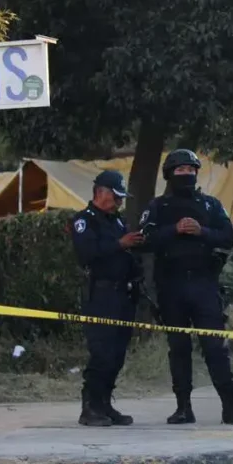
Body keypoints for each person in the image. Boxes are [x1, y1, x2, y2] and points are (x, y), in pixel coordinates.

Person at [138, 149, 233, 425]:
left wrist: (202, 232)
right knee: (179, 348)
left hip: (204, 284)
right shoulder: (157, 207)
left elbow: (228, 236)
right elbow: (144, 240)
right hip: (171, 286)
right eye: (180, 171)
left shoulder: (210, 205)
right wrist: (173, 230)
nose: (186, 175)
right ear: (169, 175)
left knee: (215, 348)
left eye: (190, 170)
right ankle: (183, 407)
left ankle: (230, 408)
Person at [71, 170, 145, 427]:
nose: (119, 203)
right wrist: (120, 244)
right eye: (116, 197)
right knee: (101, 352)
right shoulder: (85, 220)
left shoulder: (116, 221)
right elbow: (86, 253)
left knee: (117, 353)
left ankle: (104, 404)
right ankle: (89, 407)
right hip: (100, 295)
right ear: (100, 192)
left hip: (122, 295)